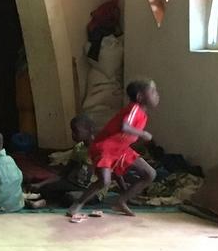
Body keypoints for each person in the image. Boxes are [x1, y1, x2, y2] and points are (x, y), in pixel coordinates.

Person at [67, 80, 160, 219]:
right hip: (105, 147)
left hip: (121, 149)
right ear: (140, 97)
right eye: (152, 91)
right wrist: (143, 134)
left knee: (150, 174)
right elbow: (125, 127)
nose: (157, 95)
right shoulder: (134, 108)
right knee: (104, 181)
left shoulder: (142, 114)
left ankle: (121, 201)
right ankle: (78, 203)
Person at [37, 115, 97, 206]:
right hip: (75, 185)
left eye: (76, 131)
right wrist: (40, 184)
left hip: (93, 190)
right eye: (72, 131)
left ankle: (49, 200)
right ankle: (50, 199)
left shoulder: (100, 148)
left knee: (69, 198)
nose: (73, 135)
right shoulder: (78, 148)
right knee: (45, 188)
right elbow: (64, 172)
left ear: (90, 130)